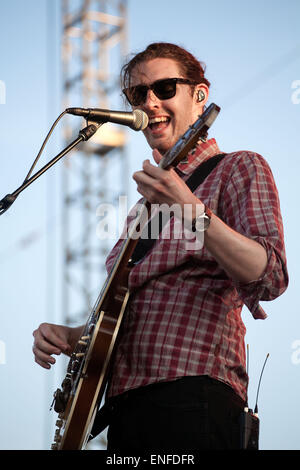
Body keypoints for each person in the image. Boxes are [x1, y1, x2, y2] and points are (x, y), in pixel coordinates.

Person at [32, 42, 288, 450]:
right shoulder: (143, 207)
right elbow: (125, 313)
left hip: (192, 397)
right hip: (125, 407)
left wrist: (190, 209)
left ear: (199, 96)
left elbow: (270, 274)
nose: (150, 102)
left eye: (165, 88)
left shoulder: (239, 167)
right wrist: (73, 336)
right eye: (138, 94)